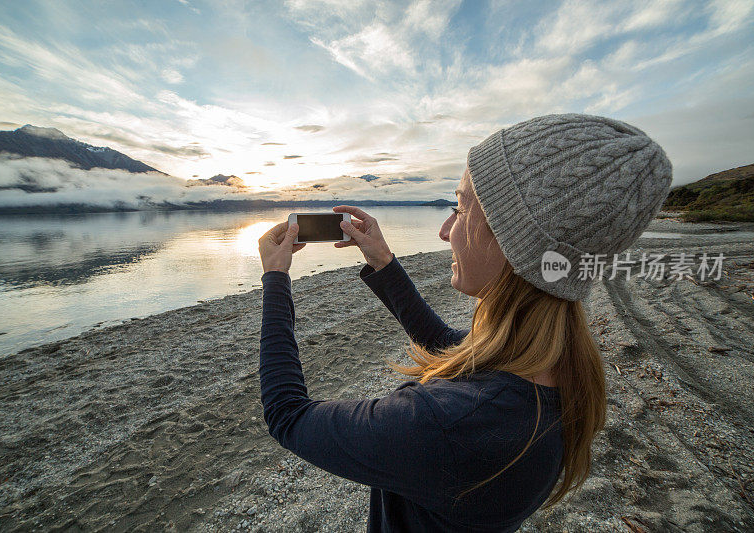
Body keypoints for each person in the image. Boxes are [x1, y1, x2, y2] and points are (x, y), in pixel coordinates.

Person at [257, 113, 672, 532]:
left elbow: (287, 415)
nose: (444, 230)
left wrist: (275, 279)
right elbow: (449, 348)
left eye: (459, 208)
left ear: (513, 240)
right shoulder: (555, 366)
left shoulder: (446, 425)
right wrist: (381, 260)